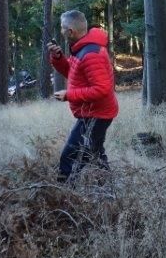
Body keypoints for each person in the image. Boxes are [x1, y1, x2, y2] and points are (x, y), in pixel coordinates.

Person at [47, 10, 119, 180]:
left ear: (70, 31)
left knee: (70, 155)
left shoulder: (91, 54)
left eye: (63, 28)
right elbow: (72, 72)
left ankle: (63, 193)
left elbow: (102, 89)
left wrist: (69, 95)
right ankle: (109, 191)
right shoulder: (81, 48)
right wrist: (57, 57)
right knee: (94, 152)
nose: (62, 32)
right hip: (92, 112)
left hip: (97, 114)